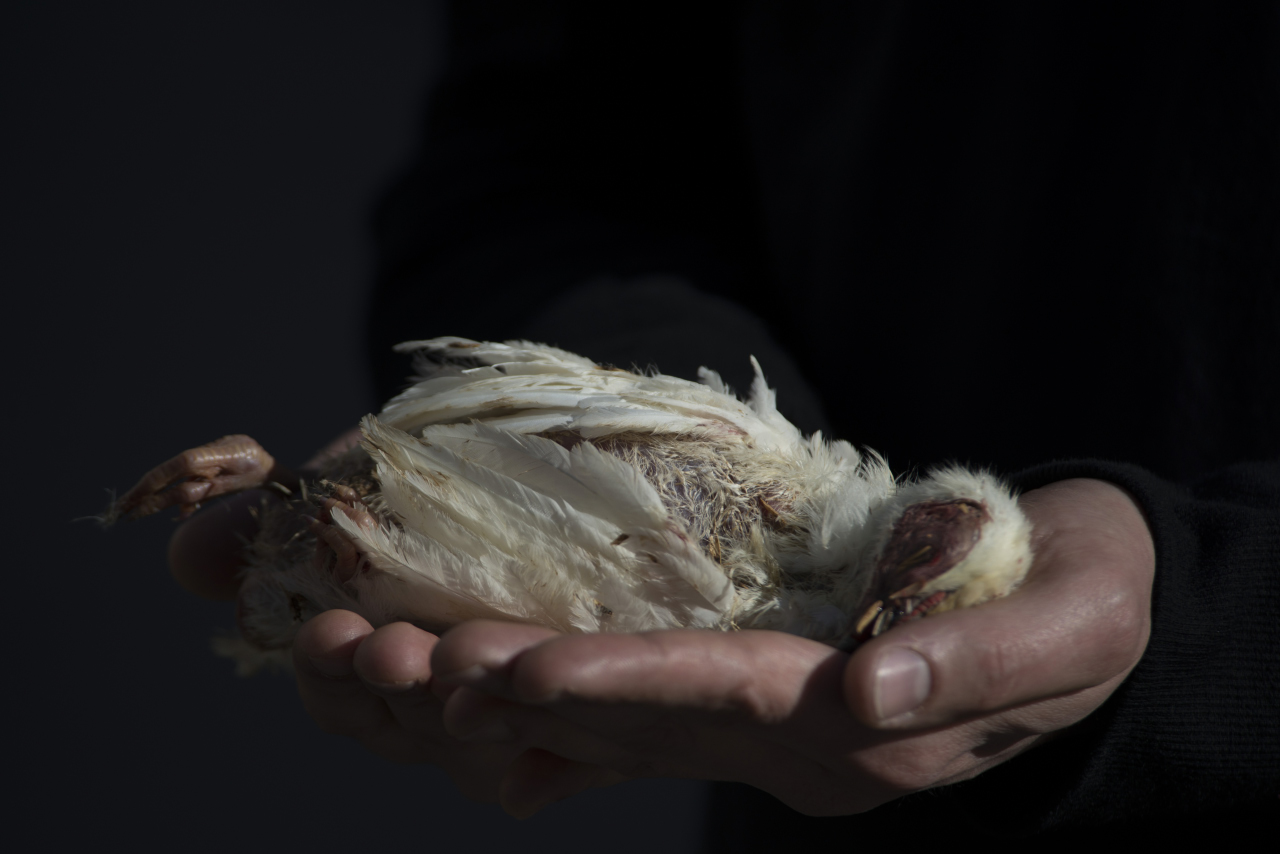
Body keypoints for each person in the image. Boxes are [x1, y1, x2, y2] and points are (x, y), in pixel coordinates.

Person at [170, 2, 1279, 845]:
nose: (910, 603)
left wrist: (1213, 616)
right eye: (926, 567)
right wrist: (624, 343)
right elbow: (544, 155)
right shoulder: (773, 487)